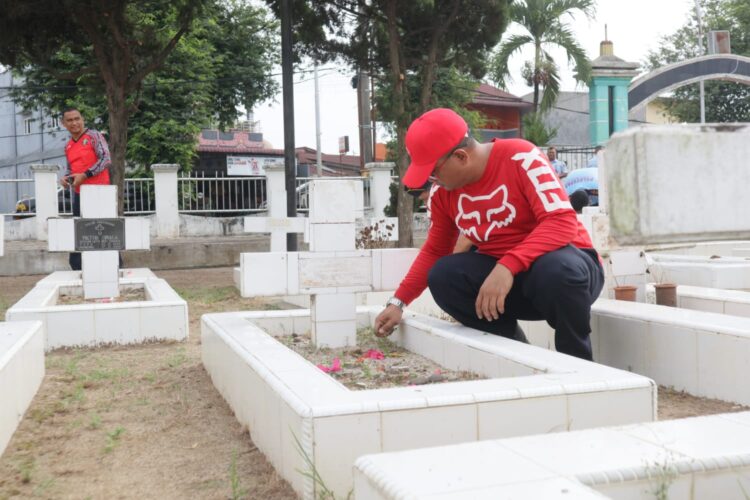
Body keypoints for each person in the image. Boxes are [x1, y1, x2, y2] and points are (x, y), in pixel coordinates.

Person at [374, 108, 604, 360]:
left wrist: (507, 266)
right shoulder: (444, 194)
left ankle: (579, 365)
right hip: (508, 283)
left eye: (434, 172)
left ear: (461, 156)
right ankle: (515, 353)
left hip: (567, 275)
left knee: (557, 269)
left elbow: (561, 222)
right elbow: (435, 251)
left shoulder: (522, 157)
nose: (433, 181)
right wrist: (398, 302)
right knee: (444, 275)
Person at [60, 107, 113, 270]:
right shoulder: (68, 146)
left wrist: (86, 175)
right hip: (80, 194)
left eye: (77, 119)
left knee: (107, 232)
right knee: (79, 232)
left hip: (100, 192)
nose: (74, 123)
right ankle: (78, 269)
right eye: (69, 120)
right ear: (63, 124)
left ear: (82, 119)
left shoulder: (94, 136)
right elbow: (71, 170)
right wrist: (66, 178)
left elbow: (106, 159)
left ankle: (114, 267)